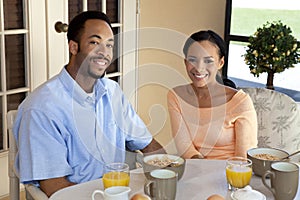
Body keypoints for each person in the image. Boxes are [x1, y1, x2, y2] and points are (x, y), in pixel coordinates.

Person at [13, 11, 165, 197]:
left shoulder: (113, 92)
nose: (104, 52)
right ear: (73, 47)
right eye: (94, 42)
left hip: (119, 193)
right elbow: (54, 186)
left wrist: (168, 172)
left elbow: (149, 145)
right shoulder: (41, 108)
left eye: (109, 45)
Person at [167, 30, 257, 160]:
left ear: (220, 63)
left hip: (232, 174)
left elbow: (244, 158)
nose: (199, 68)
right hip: (195, 170)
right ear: (185, 62)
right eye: (193, 60)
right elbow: (185, 147)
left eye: (208, 61)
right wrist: (202, 174)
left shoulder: (240, 101)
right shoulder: (175, 96)